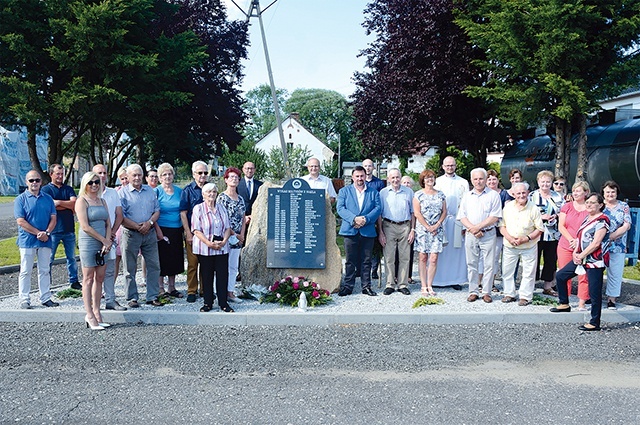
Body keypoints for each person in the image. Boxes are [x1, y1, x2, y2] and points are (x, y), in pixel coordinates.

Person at [551, 193, 610, 331]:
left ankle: (595, 322)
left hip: (594, 261)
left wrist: (581, 254)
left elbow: (596, 243)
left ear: (600, 205)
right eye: (587, 202)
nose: (588, 205)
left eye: (592, 203)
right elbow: (581, 237)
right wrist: (577, 252)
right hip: (581, 258)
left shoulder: (602, 220)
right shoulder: (587, 218)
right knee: (561, 276)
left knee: (594, 292)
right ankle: (564, 303)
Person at [118, 164, 162, 308]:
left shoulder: (150, 191)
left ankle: (152, 296)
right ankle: (131, 297)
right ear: (128, 176)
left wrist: (149, 223)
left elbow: (156, 211)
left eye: (139, 175)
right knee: (129, 267)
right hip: (131, 233)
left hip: (149, 233)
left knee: (154, 265)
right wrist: (137, 226)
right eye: (134, 175)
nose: (137, 178)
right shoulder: (122, 193)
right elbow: (121, 216)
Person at [14, 170, 59, 309]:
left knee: (44, 269)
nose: (34, 183)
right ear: (26, 182)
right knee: (26, 270)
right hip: (27, 240)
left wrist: (46, 232)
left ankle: (45, 297)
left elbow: (53, 218)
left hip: (45, 240)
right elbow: (20, 221)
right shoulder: (20, 199)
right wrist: (38, 233)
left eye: (37, 180)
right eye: (31, 180)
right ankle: (24, 299)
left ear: (41, 182)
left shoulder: (47, 199)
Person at [457, 168, 502, 303]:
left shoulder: (493, 195)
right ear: (472, 180)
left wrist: (478, 227)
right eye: (475, 179)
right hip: (471, 234)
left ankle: (486, 292)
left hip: (488, 234)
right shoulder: (467, 196)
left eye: (481, 178)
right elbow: (462, 216)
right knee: (472, 263)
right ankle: (473, 291)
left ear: (485, 179)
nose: (478, 181)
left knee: (489, 264)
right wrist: (473, 229)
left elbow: (495, 216)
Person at [337, 166, 381, 296]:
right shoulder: (344, 191)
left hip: (367, 231)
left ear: (365, 177)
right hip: (350, 230)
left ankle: (366, 286)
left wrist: (366, 219)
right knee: (350, 260)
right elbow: (340, 208)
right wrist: (354, 219)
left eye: (362, 176)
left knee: (366, 260)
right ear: (352, 177)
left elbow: (377, 209)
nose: (360, 179)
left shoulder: (373, 192)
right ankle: (348, 286)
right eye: (357, 176)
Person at [75, 172, 112, 330]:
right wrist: (103, 239)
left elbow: (108, 223)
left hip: (104, 244)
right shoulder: (81, 201)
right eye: (91, 183)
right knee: (88, 278)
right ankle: (89, 314)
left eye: (97, 182)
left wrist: (107, 240)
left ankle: (97, 312)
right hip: (89, 242)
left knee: (100, 277)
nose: (94, 185)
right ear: (85, 184)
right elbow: (85, 226)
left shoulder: (102, 201)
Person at [191, 183, 234, 313]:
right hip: (205, 248)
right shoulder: (198, 209)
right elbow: (196, 230)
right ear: (203, 194)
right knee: (207, 275)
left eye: (214, 192)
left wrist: (224, 241)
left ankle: (223, 303)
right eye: (209, 192)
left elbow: (227, 227)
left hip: (221, 247)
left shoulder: (221, 208)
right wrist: (209, 243)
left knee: (222, 275)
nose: (212, 194)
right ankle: (207, 303)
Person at [499, 183, 544, 306]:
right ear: (513, 194)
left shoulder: (534, 208)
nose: (521, 195)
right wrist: (509, 238)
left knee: (528, 272)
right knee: (507, 271)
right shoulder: (507, 208)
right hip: (510, 244)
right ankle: (509, 294)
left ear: (528, 193)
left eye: (523, 193)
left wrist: (526, 238)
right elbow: (501, 226)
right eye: (518, 193)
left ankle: (525, 296)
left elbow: (539, 228)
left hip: (528, 245)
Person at [93, 164, 126, 311]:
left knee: (110, 269)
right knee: (94, 272)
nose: (102, 175)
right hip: (94, 238)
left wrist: (112, 232)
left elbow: (119, 215)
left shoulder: (113, 193)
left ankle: (110, 299)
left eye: (104, 172)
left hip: (110, 237)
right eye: (98, 173)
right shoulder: (88, 195)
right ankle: (94, 303)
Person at [41, 164, 79, 289]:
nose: (60, 176)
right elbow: (48, 207)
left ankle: (74, 281)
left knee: (71, 258)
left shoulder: (68, 189)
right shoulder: (46, 190)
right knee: (49, 259)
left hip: (69, 228)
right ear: (51, 174)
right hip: (53, 230)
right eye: (58, 173)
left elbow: (74, 204)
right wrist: (66, 205)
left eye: (62, 173)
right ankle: (47, 283)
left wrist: (58, 203)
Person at [433, 156, 469, 290]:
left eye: (452, 165)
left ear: (455, 166)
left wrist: (465, 224)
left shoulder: (463, 182)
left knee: (456, 250)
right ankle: (437, 279)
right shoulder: (437, 182)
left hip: (457, 220)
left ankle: (455, 279)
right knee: (440, 250)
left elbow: (466, 203)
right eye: (447, 165)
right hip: (441, 221)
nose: (450, 167)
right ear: (443, 166)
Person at [377, 168, 415, 295]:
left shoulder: (409, 192)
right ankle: (390, 284)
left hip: (405, 226)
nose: (395, 180)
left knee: (405, 257)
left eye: (397, 177)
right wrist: (381, 232)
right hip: (388, 226)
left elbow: (413, 213)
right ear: (388, 179)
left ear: (401, 177)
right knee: (389, 257)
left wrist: (412, 230)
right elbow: (379, 214)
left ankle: (403, 284)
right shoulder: (383, 193)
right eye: (392, 178)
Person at [529, 170, 564, 296]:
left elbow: (563, 212)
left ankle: (548, 286)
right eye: (542, 181)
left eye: (548, 181)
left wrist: (556, 216)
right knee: (534, 260)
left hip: (553, 234)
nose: (545, 184)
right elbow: (527, 213)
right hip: (536, 234)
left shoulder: (557, 196)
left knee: (550, 260)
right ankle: (530, 286)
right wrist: (541, 217)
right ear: (538, 182)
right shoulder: (532, 196)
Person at [413, 169, 447, 297]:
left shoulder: (441, 195)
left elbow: (444, 212)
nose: (429, 180)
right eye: (427, 178)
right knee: (423, 257)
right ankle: (423, 285)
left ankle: (430, 285)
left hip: (436, 230)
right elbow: (417, 213)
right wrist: (427, 226)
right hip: (423, 229)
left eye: (431, 177)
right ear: (423, 180)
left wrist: (436, 225)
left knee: (433, 258)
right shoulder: (418, 195)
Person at [557, 181, 590, 310]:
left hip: (583, 247)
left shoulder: (589, 208)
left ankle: (582, 302)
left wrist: (579, 241)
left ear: (586, 192)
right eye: (574, 190)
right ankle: (565, 301)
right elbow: (561, 225)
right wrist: (571, 239)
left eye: (579, 191)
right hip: (566, 244)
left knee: (584, 275)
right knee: (564, 274)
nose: (575, 193)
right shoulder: (567, 206)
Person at [180, 160, 209, 303]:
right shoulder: (187, 190)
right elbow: (183, 213)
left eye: (205, 173)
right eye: (200, 173)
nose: (203, 175)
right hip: (193, 233)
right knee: (192, 263)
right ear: (194, 174)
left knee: (206, 263)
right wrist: (188, 233)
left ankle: (205, 289)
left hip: (208, 234)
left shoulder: (211, 189)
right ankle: (192, 290)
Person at [154, 163, 184, 298]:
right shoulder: (157, 191)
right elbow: (153, 212)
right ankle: (160, 288)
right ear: (160, 177)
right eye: (164, 174)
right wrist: (157, 231)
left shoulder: (179, 191)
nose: (167, 177)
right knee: (161, 258)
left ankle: (172, 287)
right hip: (161, 229)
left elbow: (183, 211)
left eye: (169, 174)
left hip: (176, 229)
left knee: (174, 259)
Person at [218, 167, 246, 303]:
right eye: (231, 177)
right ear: (226, 180)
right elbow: (221, 219)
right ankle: (220, 293)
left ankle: (230, 292)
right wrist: (233, 234)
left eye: (236, 177)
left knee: (234, 266)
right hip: (226, 236)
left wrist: (242, 235)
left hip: (237, 238)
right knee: (223, 266)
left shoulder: (240, 199)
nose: (234, 179)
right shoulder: (222, 198)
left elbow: (243, 218)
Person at [602, 181, 631, 310]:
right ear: (603, 192)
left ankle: (611, 299)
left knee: (615, 272)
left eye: (613, 192)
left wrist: (612, 236)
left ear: (616, 193)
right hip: (599, 244)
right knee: (595, 271)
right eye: (607, 191)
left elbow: (627, 224)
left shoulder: (623, 206)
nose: (610, 194)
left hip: (618, 245)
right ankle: (591, 296)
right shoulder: (599, 205)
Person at [362, 159, 385, 279]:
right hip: (361, 217)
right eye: (365, 166)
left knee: (375, 246)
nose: (367, 168)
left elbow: (380, 203)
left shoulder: (379, 183)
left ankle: (374, 269)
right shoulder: (359, 180)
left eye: (369, 166)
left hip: (375, 217)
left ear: (373, 167)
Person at [398, 176, 416, 284]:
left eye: (408, 183)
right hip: (396, 225)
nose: (406, 184)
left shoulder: (413, 195)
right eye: (404, 182)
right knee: (396, 253)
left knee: (408, 252)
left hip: (409, 224)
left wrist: (413, 228)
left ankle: (408, 276)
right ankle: (397, 276)